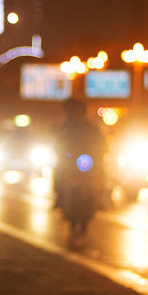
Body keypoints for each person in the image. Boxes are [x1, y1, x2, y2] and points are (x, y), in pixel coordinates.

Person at [53, 98, 107, 243]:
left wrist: (99, 155)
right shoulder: (64, 128)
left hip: (88, 163)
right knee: (58, 170)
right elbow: (57, 144)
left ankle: (100, 198)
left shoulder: (91, 129)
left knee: (102, 172)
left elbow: (102, 145)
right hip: (69, 163)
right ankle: (59, 197)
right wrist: (64, 155)